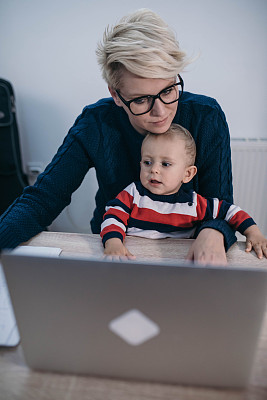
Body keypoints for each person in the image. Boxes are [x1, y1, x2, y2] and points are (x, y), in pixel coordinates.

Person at [0, 8, 237, 264]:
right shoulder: (95, 123)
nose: (160, 111)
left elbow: (220, 204)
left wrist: (214, 230)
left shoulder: (207, 116)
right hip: (114, 250)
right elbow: (43, 199)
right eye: (142, 99)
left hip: (185, 253)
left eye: (168, 90)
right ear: (116, 95)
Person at [101, 124, 267, 260]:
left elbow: (230, 211)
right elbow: (113, 216)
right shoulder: (133, 193)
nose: (154, 170)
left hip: (179, 264)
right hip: (134, 260)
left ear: (187, 174)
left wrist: (253, 232)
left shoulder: (195, 203)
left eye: (165, 164)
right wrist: (113, 242)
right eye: (147, 162)